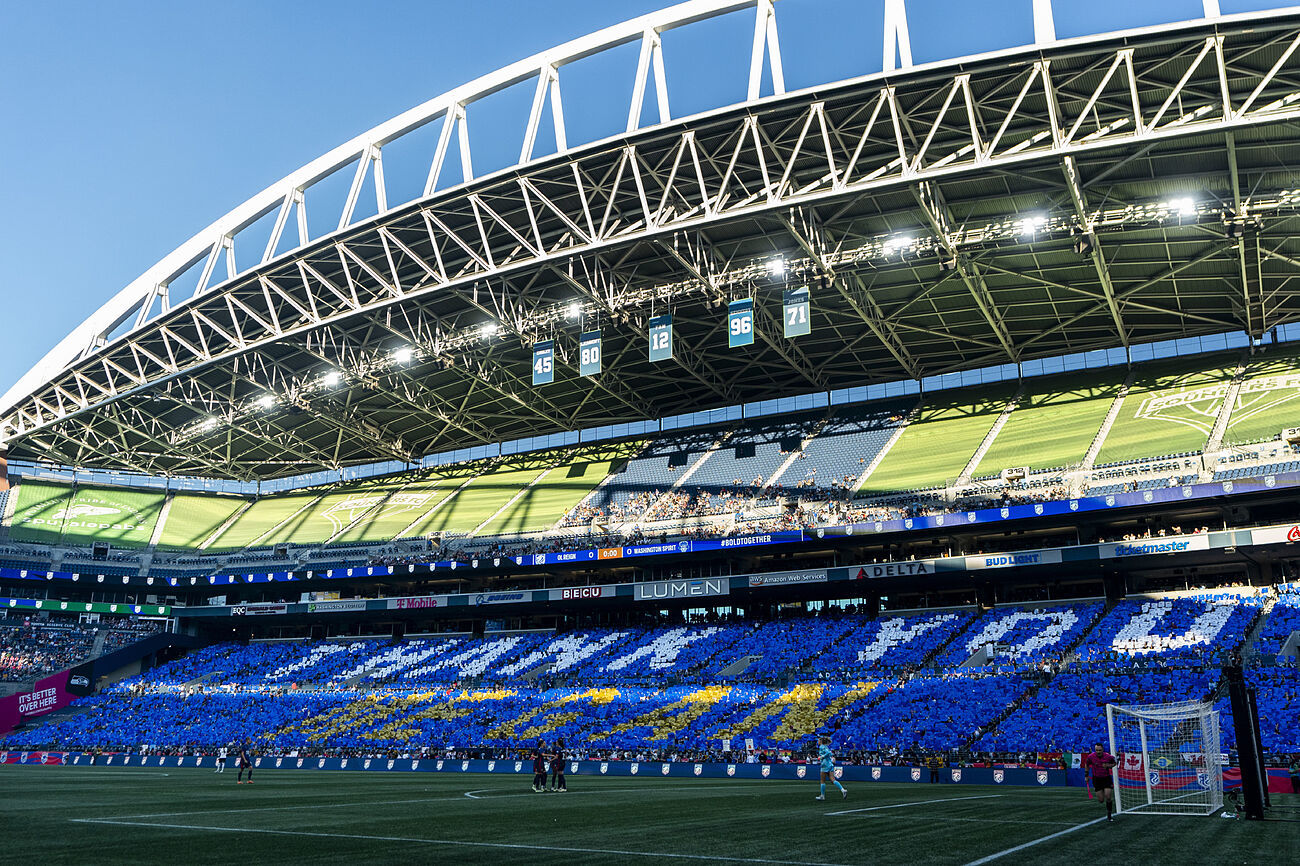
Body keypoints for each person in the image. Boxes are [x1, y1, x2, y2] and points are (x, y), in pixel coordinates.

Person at [1080, 743, 1116, 822]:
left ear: (1103, 750)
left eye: (1100, 750)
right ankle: (1102, 793)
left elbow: (1114, 763)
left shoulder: (1108, 756)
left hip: (1106, 778)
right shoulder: (1091, 757)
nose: (1098, 752)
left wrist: (1108, 766)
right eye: (1096, 750)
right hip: (1097, 779)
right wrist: (1086, 775)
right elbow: (1087, 764)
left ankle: (1109, 815)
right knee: (1101, 800)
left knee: (1108, 796)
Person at [815, 735, 848, 801]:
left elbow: (828, 753)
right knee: (833, 779)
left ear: (821, 741)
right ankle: (843, 790)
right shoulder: (826, 746)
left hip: (825, 764)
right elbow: (830, 753)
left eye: (818, 740)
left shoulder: (821, 746)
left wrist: (822, 757)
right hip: (830, 764)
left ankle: (822, 796)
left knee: (822, 781)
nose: (817, 741)